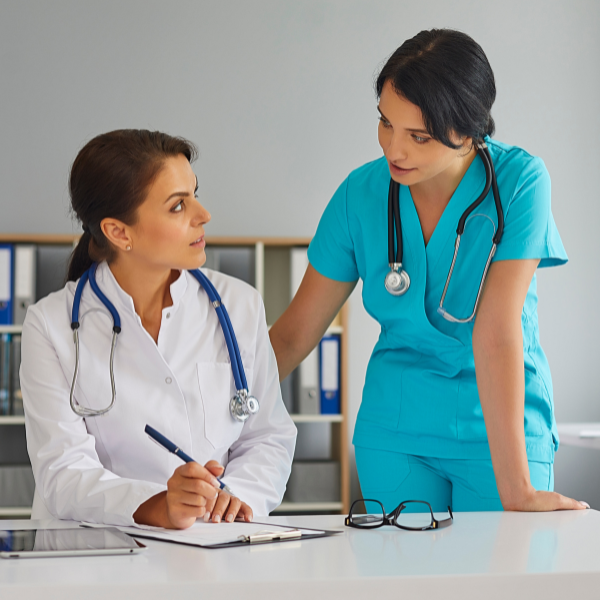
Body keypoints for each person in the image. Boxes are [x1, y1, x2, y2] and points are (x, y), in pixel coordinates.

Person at [269, 29, 588, 513]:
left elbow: (497, 332)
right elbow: (294, 335)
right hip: (395, 429)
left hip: (499, 434)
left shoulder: (520, 182)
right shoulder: (360, 194)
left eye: (418, 136)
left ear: (470, 131)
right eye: (385, 123)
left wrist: (518, 491)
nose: (394, 150)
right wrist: (214, 424)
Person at [21, 129, 297, 529]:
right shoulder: (50, 325)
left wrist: (235, 500)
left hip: (214, 545)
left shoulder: (239, 305)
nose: (203, 215)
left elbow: (267, 436)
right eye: (177, 207)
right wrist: (160, 505)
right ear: (119, 232)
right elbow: (63, 472)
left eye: (195, 194)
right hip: (98, 560)